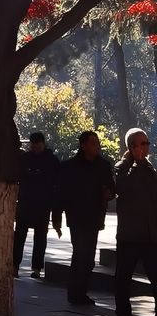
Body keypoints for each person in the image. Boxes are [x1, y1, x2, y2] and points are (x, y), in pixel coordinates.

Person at [58, 130, 115, 306]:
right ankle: (74, 292)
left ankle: (81, 292)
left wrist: (109, 194)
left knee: (89, 257)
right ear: (83, 145)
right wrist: (56, 216)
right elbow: (61, 192)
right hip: (76, 216)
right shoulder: (70, 167)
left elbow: (112, 189)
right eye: (93, 143)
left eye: (97, 142)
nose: (96, 146)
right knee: (80, 253)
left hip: (95, 216)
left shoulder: (104, 166)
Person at [113, 127, 157, 316]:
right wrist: (134, 163)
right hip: (130, 234)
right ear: (131, 147)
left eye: (147, 143)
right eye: (142, 144)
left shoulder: (149, 167)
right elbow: (124, 188)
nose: (146, 147)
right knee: (124, 275)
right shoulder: (122, 167)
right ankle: (123, 312)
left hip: (150, 234)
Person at [13, 132, 61, 279]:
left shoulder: (51, 161)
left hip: (42, 203)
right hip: (27, 202)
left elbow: (57, 184)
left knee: (39, 236)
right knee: (20, 235)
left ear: (43, 143)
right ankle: (15, 265)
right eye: (33, 145)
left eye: (37, 145)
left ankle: (36, 268)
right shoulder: (25, 159)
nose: (35, 147)